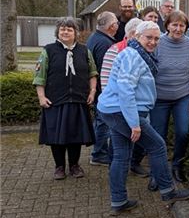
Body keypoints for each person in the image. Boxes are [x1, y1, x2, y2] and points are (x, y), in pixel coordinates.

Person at [97, 21, 189, 215]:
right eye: (148, 37)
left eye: (157, 38)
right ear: (136, 36)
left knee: (121, 155)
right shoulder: (133, 56)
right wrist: (134, 123)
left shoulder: (136, 54)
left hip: (114, 110)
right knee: (157, 146)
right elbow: (126, 90)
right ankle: (168, 191)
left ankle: (119, 200)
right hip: (123, 112)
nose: (153, 42)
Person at [33, 17, 97, 180]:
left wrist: (92, 91)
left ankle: (75, 166)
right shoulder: (48, 50)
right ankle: (59, 167)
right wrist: (41, 97)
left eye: (69, 29)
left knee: (75, 136)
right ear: (58, 32)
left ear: (75, 33)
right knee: (57, 137)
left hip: (78, 100)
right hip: (55, 101)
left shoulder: (84, 51)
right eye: (62, 29)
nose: (65, 31)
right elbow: (39, 77)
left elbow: (92, 73)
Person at [147, 11, 189, 183]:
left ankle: (177, 165)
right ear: (167, 25)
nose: (178, 29)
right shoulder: (158, 43)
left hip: (182, 97)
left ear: (186, 27)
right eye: (174, 25)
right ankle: (157, 172)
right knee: (158, 136)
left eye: (182, 25)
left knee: (183, 132)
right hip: (159, 98)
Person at [86, 11, 118, 166]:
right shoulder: (106, 44)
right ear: (112, 26)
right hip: (101, 91)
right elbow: (104, 70)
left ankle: (98, 151)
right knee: (103, 123)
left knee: (100, 122)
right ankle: (99, 154)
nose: (118, 25)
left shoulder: (94, 38)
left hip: (96, 90)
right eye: (116, 23)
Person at [100, 18, 142, 91]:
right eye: (142, 34)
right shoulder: (115, 50)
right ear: (133, 34)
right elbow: (106, 80)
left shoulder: (145, 50)